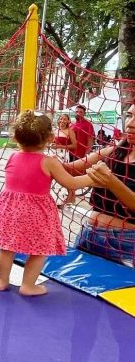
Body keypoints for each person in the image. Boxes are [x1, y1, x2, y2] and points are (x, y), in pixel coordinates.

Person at [0, 111, 97, 295]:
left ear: (15, 136)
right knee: (39, 250)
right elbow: (70, 183)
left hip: (8, 208)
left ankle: (1, 280)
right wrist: (93, 179)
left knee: (6, 247)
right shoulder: (48, 162)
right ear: (50, 137)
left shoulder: (12, 157)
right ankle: (28, 285)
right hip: (36, 211)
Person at [66, 103, 135, 265]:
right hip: (90, 234)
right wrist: (38, 156)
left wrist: (112, 183)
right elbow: (72, 169)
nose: (130, 123)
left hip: (126, 244)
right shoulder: (116, 149)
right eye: (130, 115)